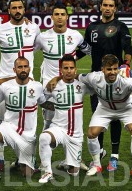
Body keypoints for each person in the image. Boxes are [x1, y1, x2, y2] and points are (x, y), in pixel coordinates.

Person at [47, 54, 132, 180]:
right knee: (91, 133)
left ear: (118, 69)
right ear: (102, 69)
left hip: (126, 108)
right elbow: (72, 75)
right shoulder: (94, 77)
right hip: (105, 108)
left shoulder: (127, 81)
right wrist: (56, 79)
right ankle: (96, 165)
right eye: (109, 69)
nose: (112, 72)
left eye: (115, 69)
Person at [76, 0, 132, 171]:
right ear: (100, 7)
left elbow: (128, 49)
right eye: (105, 5)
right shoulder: (92, 27)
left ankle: (114, 156)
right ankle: (100, 150)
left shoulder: (121, 26)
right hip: (96, 78)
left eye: (111, 5)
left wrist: (126, 65)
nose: (108, 8)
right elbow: (85, 49)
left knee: (115, 116)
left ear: (115, 8)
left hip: (114, 77)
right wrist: (70, 61)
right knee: (97, 114)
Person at [0, 57, 54, 184]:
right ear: (14, 69)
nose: (23, 69)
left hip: (28, 136)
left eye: (25, 66)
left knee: (27, 175)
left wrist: (64, 106)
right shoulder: (5, 86)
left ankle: (22, 161)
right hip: (9, 128)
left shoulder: (37, 86)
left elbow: (44, 103)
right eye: (20, 67)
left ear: (29, 69)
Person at [0, 0, 41, 168]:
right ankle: (1, 158)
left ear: (24, 9)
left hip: (27, 82)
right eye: (14, 8)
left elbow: (36, 48)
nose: (17, 10)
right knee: (1, 119)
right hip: (6, 83)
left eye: (20, 7)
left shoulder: (33, 27)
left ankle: (23, 158)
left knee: (27, 122)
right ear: (8, 10)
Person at [35, 4, 91, 130]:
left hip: (68, 80)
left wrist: (75, 58)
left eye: (62, 14)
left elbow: (88, 50)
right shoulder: (42, 37)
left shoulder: (76, 35)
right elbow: (28, 53)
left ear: (67, 17)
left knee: (68, 113)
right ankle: (46, 140)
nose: (59, 17)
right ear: (52, 17)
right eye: (56, 14)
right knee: (49, 115)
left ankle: (68, 138)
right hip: (49, 80)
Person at [38, 55, 93, 183]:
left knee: (74, 173)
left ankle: (67, 162)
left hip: (76, 135)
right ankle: (47, 172)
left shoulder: (82, 84)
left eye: (71, 68)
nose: (69, 71)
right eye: (66, 68)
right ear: (61, 69)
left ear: (75, 69)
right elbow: (41, 100)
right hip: (58, 128)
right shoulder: (53, 85)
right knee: (44, 137)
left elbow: (99, 89)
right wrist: (51, 106)